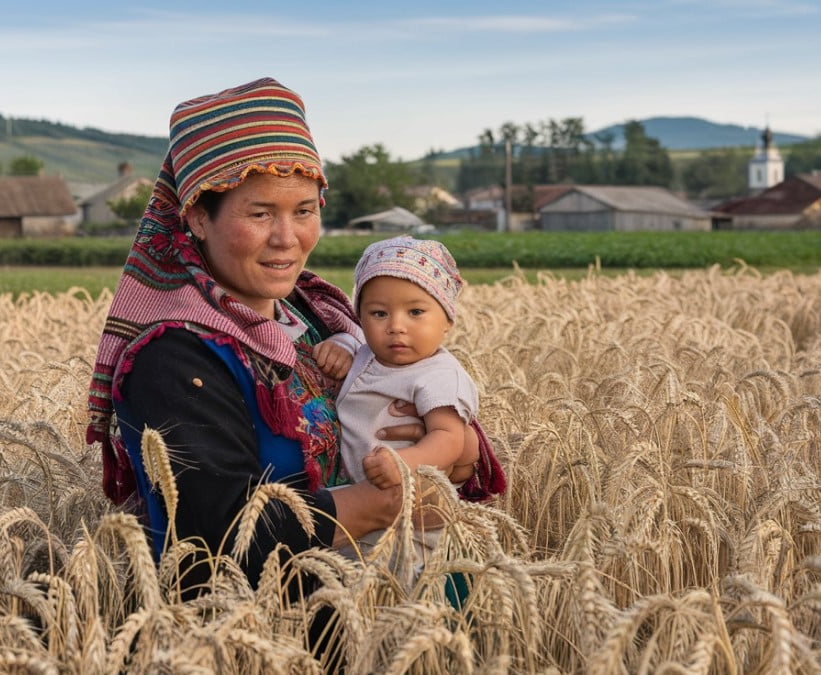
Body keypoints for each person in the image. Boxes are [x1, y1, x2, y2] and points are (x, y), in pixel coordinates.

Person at [84, 78, 506, 605]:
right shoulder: (171, 356)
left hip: (402, 611)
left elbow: (451, 438)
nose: (288, 238)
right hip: (276, 634)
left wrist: (456, 452)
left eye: (304, 211)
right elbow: (215, 533)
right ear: (196, 216)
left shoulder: (321, 315)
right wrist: (386, 503)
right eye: (260, 214)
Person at [314, 236, 480, 564]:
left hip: (409, 523)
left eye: (416, 312)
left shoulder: (438, 374)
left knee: (395, 591)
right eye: (378, 313)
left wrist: (404, 464)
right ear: (359, 317)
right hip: (355, 509)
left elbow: (450, 439)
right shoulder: (366, 355)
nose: (396, 326)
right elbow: (355, 348)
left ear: (447, 320)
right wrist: (340, 345)